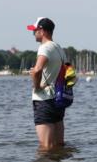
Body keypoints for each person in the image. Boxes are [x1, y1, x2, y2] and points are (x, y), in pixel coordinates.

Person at [27, 17, 67, 151]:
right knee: (59, 145)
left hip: (44, 100)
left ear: (42, 31)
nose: (33, 34)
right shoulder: (59, 48)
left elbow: (37, 70)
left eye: (35, 31)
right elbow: (68, 71)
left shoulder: (44, 48)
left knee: (46, 148)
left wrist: (37, 86)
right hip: (58, 99)